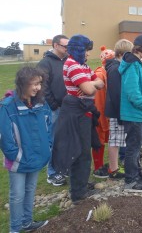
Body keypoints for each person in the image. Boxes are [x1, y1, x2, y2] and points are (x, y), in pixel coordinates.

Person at [52, 34, 105, 204]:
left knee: (84, 150)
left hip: (83, 111)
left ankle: (81, 184)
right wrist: (91, 85)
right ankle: (78, 193)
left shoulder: (82, 65)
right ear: (79, 50)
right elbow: (90, 90)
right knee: (79, 151)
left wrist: (92, 84)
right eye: (86, 51)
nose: (88, 54)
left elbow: (99, 83)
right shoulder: (72, 65)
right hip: (76, 113)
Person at [0, 67, 51, 232]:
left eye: (39, 84)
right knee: (17, 195)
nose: (37, 88)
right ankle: (14, 229)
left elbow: (49, 127)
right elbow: (5, 137)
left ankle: (27, 223)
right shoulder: (7, 107)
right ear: (23, 83)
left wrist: (47, 147)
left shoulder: (41, 104)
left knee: (30, 191)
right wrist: (16, 156)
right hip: (19, 160)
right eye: (34, 84)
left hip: (37, 156)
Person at [119, 34, 142, 192]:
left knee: (135, 147)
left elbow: (137, 85)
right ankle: (131, 181)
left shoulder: (135, 64)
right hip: (133, 114)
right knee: (133, 148)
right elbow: (132, 93)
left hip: (135, 114)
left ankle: (137, 175)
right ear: (141, 50)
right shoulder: (133, 65)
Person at [37, 34, 69, 186]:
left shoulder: (68, 61)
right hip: (53, 108)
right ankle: (52, 173)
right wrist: (53, 104)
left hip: (68, 106)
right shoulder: (46, 62)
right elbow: (42, 86)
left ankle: (63, 168)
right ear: (56, 45)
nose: (67, 49)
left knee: (65, 139)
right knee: (54, 140)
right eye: (65, 46)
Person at [105, 39, 133, 179]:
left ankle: (114, 167)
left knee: (117, 139)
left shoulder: (116, 67)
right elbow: (116, 93)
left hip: (119, 109)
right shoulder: (115, 69)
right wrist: (121, 114)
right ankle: (113, 169)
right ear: (123, 54)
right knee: (115, 140)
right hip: (117, 111)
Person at [92, 46, 115, 178]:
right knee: (99, 140)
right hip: (100, 114)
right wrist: (102, 118)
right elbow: (99, 100)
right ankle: (98, 168)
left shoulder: (107, 72)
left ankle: (101, 165)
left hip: (106, 113)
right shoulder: (101, 74)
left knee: (103, 139)